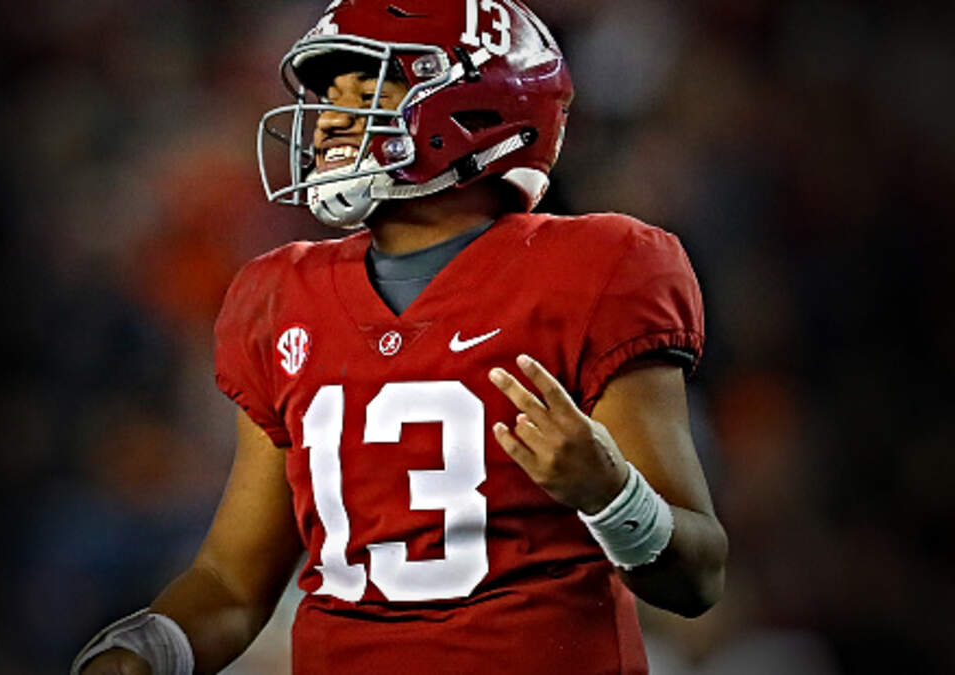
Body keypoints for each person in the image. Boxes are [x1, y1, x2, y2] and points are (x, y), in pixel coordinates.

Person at [72, 0, 727, 673]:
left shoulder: (597, 268)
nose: (329, 119)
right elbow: (232, 585)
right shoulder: (277, 294)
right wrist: (142, 652)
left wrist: (614, 496)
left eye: (366, 92)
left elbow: (699, 577)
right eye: (329, 96)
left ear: (472, 106)